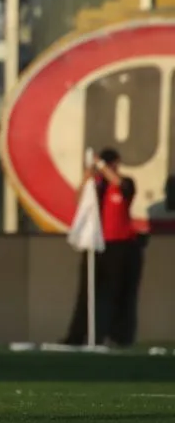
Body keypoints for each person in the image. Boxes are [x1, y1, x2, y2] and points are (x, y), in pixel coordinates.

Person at [62, 148, 146, 347]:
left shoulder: (125, 184)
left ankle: (117, 337)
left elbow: (121, 185)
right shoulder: (96, 187)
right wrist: (87, 176)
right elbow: (79, 200)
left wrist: (102, 166)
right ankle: (76, 337)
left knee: (117, 293)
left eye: (111, 164)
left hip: (121, 246)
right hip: (97, 245)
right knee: (86, 293)